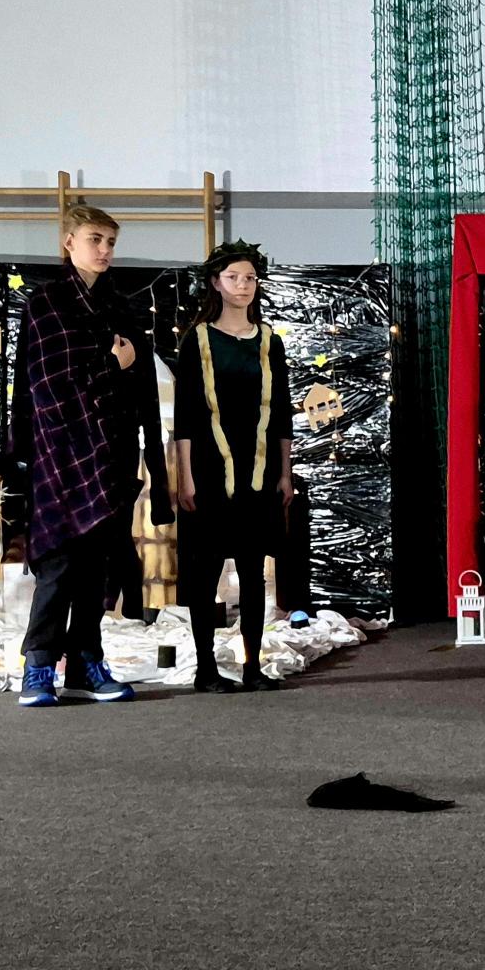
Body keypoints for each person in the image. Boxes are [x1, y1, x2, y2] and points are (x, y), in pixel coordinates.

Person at [8, 205, 173, 707]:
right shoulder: (47, 303)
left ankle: (86, 663)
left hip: (111, 453)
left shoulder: (120, 308)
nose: (104, 250)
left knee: (97, 566)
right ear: (69, 242)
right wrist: (111, 364)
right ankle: (38, 668)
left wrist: (150, 460)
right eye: (95, 239)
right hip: (61, 454)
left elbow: (142, 390)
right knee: (59, 563)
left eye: (110, 242)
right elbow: (48, 386)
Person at [175, 240, 295, 693]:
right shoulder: (198, 340)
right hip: (208, 468)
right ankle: (206, 668)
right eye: (233, 278)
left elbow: (281, 412)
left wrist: (285, 472)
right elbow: (186, 414)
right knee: (205, 570)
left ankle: (252, 666)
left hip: (258, 470)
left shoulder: (269, 342)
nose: (242, 286)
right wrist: (185, 475)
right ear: (215, 283)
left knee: (252, 570)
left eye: (249, 278)